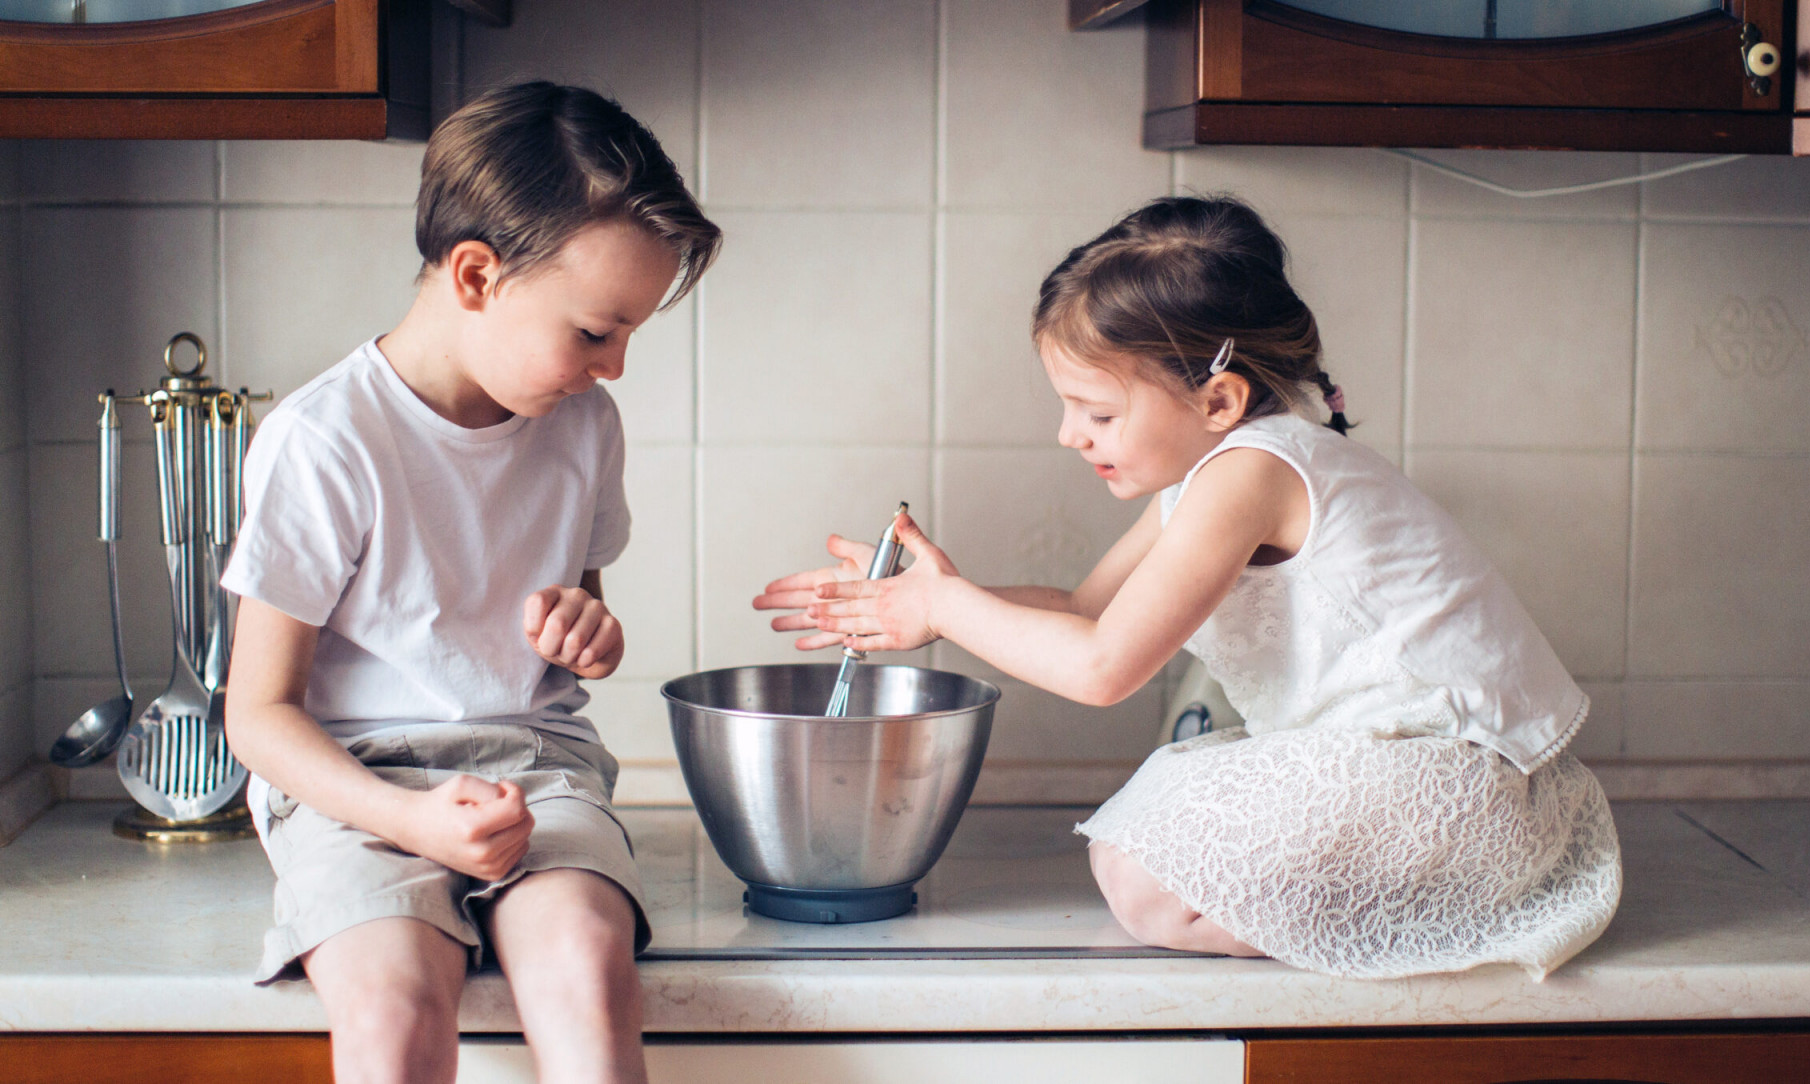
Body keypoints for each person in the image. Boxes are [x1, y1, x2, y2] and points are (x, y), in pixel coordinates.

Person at [754, 196, 1620, 980]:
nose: (1068, 435)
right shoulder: (1209, 474)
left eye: (1097, 412)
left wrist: (945, 607)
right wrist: (932, 600)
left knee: (1144, 876)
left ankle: (1435, 922)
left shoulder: (1252, 472)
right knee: (1142, 857)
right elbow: (1090, 612)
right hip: (1413, 770)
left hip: (1465, 785)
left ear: (1218, 400)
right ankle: (1398, 919)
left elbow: (1101, 668)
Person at [222, 81, 719, 1083]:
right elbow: (257, 714)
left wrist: (591, 631)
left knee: (584, 960)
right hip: (354, 788)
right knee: (395, 1011)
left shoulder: (579, 424)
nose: (614, 366)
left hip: (534, 761)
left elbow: (578, 615)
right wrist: (406, 820)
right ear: (478, 275)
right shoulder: (325, 442)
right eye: (592, 331)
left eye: (628, 334)